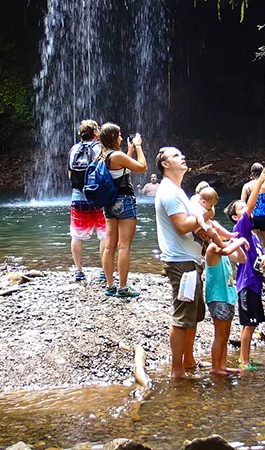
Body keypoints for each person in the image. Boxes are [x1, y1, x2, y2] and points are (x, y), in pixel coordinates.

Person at [154, 146, 206, 378]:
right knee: (183, 315)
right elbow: (183, 226)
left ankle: (189, 360)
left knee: (193, 314)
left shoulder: (176, 190)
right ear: (165, 165)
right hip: (181, 262)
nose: (182, 157)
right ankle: (177, 370)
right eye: (175, 156)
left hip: (189, 260)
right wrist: (206, 216)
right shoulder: (168, 192)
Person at [225, 166, 265, 372]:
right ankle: (244, 362)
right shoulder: (240, 228)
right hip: (246, 284)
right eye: (241, 208)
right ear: (236, 217)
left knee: (251, 324)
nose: (246, 209)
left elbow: (260, 254)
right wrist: (259, 183)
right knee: (249, 324)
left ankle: (246, 358)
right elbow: (251, 206)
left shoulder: (252, 234)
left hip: (255, 283)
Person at [98, 123, 146, 297]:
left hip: (110, 202)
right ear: (113, 137)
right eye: (118, 135)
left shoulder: (103, 155)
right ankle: (123, 288)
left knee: (109, 246)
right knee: (124, 246)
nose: (120, 137)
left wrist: (129, 150)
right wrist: (138, 146)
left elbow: (121, 169)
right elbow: (142, 167)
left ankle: (110, 285)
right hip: (124, 200)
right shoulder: (117, 155)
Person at [204, 235, 249, 376]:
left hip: (228, 298)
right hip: (218, 298)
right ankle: (215, 367)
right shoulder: (213, 248)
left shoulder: (222, 251)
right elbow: (227, 251)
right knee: (220, 335)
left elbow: (242, 259)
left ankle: (222, 366)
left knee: (225, 335)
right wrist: (241, 241)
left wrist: (237, 245)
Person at [68, 120, 106, 281]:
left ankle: (79, 271)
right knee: (105, 235)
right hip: (99, 197)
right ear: (96, 133)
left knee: (76, 235)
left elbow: (70, 173)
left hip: (78, 197)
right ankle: (104, 271)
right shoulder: (100, 149)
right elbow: (104, 173)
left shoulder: (74, 149)